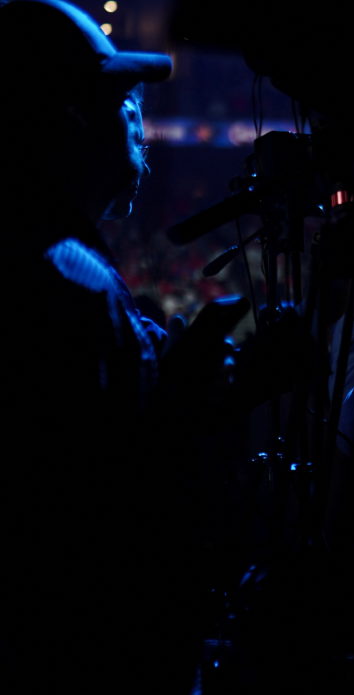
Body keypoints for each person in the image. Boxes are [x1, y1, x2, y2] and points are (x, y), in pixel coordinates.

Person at [0, 1, 248, 691]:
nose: (137, 117)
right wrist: (191, 400)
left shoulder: (49, 259)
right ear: (69, 117)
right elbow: (108, 505)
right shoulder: (68, 280)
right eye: (120, 98)